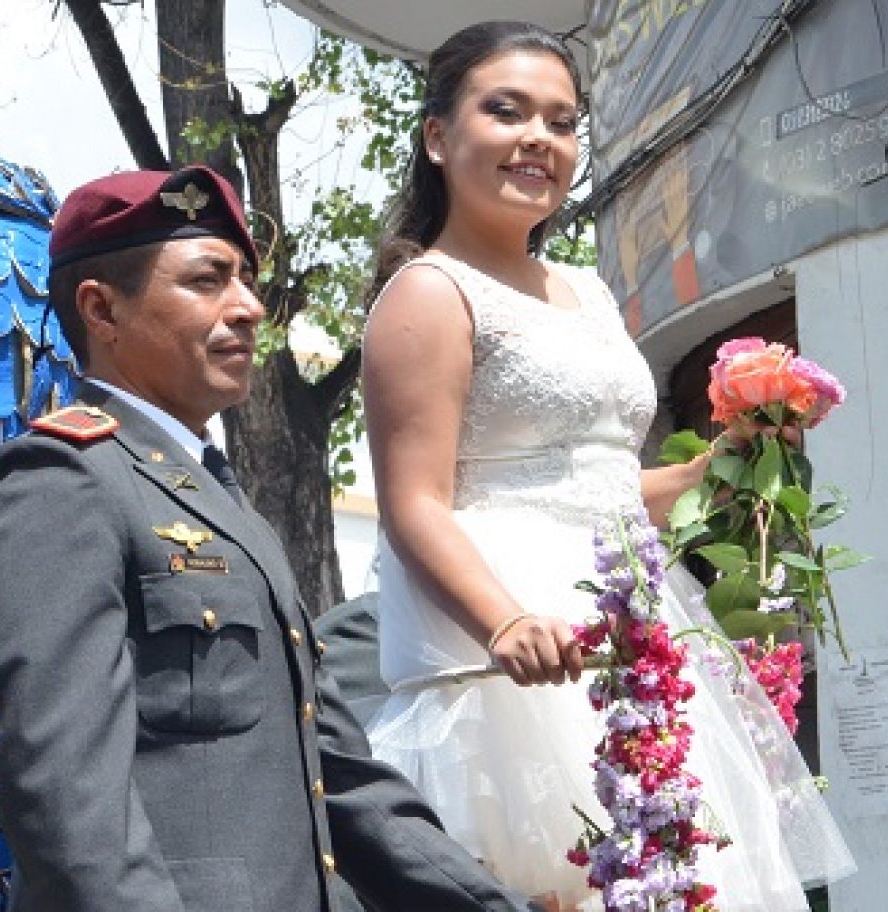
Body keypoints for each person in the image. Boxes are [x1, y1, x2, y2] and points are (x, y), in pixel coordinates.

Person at [359, 21, 856, 912]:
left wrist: (728, 461)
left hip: (633, 634)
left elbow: (603, 487)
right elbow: (414, 503)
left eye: (560, 120)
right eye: (505, 111)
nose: (536, 140)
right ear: (437, 136)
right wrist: (506, 624)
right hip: (516, 668)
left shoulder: (584, 289)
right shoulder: (429, 292)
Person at [0, 164, 537, 912]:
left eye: (247, 282)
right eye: (207, 281)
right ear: (101, 310)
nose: (250, 308)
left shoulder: (222, 504)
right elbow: (67, 807)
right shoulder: (58, 485)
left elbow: (339, 774)